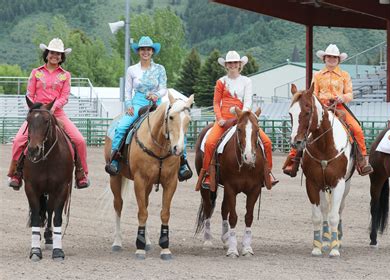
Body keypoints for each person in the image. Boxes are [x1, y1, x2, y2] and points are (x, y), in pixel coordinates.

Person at [105, 36, 192, 181]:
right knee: (122, 127)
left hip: (157, 104)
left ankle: (182, 163)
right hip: (137, 103)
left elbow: (164, 88)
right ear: (139, 52)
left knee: (178, 124)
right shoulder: (132, 70)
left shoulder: (160, 69)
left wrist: (156, 94)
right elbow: (127, 91)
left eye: (148, 49)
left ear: (152, 52)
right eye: (142, 49)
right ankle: (115, 160)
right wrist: (129, 105)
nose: (145, 52)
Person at [7, 38, 90, 189]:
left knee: (79, 140)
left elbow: (65, 96)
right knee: (19, 140)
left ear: (61, 57)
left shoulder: (65, 75)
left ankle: (81, 173)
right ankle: (16, 173)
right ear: (47, 54)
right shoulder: (36, 73)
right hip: (38, 114)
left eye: (58, 54)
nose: (55, 56)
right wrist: (36, 108)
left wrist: (53, 107)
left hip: (57, 113)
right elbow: (29, 94)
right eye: (52, 52)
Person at [283, 44, 373, 177]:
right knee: (303, 129)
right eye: (329, 57)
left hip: (339, 107)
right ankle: (293, 160)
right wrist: (319, 102)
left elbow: (350, 94)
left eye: (334, 57)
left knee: (356, 129)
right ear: (324, 59)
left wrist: (342, 98)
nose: (331, 59)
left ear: (338, 60)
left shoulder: (345, 75)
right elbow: (313, 93)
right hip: (321, 107)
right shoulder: (317, 75)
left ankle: (362, 160)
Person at [197, 50, 278, 189]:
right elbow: (216, 103)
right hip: (224, 119)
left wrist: (241, 115)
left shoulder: (246, 81)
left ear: (240, 65)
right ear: (226, 65)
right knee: (209, 143)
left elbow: (247, 101)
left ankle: (267, 173)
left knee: (267, 142)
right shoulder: (221, 82)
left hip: (242, 118)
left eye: (235, 62)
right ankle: (208, 174)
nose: (233, 65)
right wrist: (220, 118)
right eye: (230, 63)